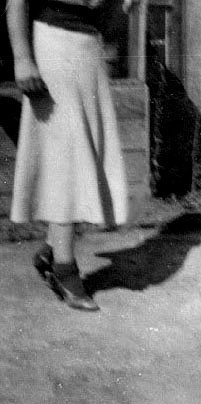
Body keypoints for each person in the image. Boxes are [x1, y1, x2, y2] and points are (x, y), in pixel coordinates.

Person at [7, 0, 139, 311]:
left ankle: (53, 250)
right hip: (52, 42)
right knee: (64, 154)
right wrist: (23, 59)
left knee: (80, 150)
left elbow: (108, 14)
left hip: (87, 47)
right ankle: (64, 269)